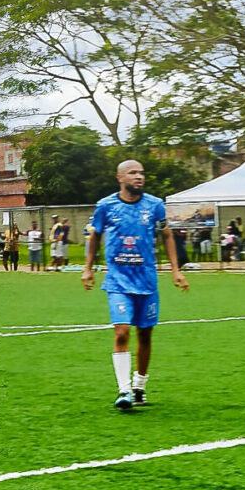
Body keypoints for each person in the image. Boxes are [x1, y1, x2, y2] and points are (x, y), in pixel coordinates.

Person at [83, 160, 189, 409]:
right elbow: (95, 235)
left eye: (141, 173)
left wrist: (176, 271)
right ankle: (124, 390)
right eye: (133, 173)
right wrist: (88, 268)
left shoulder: (155, 205)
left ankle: (140, 385)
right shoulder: (106, 206)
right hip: (118, 281)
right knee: (122, 332)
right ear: (120, 177)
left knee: (145, 333)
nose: (139, 177)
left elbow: (166, 235)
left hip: (147, 281)